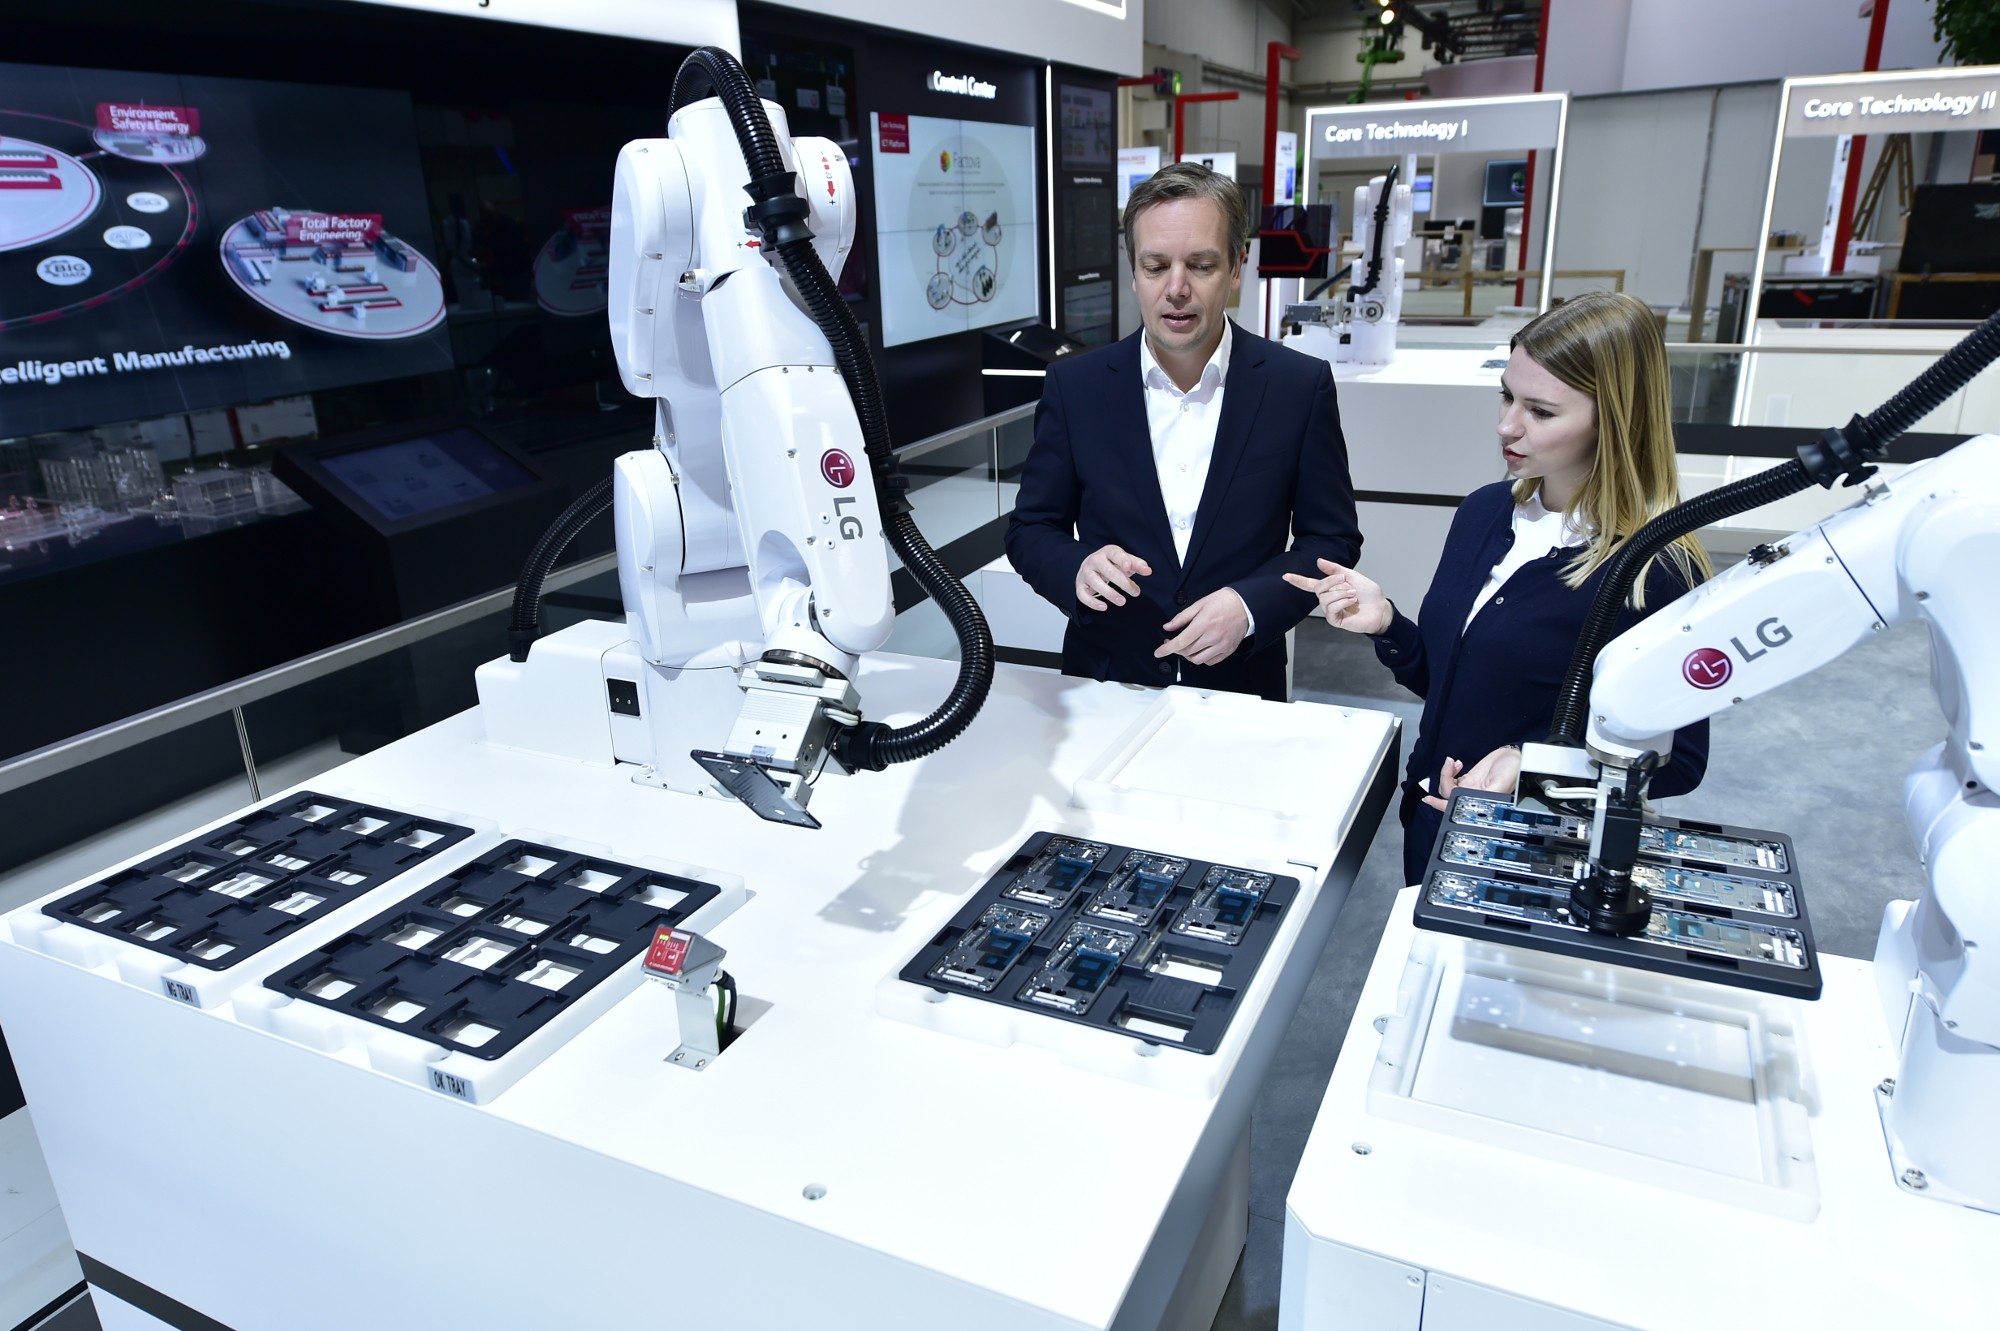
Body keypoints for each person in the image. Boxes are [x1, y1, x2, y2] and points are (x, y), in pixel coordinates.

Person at [1285, 290, 1712, 885]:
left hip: (1539, 856)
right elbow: (1451, 682)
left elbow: (1680, 762)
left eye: (1540, 411)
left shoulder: (1656, 569)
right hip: (1436, 820)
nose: (1505, 426)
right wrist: (1388, 625)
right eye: (1507, 395)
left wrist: (1528, 765)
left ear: (1611, 419)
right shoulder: (1485, 513)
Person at [1005, 162, 1361, 703]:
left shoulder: (1297, 386)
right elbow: (1031, 528)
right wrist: (1076, 566)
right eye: (1155, 266)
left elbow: (1331, 538)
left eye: (1200, 265)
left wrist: (1248, 608)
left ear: (1237, 266)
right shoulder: (1074, 386)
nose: (1176, 289)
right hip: (1104, 681)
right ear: (1133, 268)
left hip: (1241, 686)